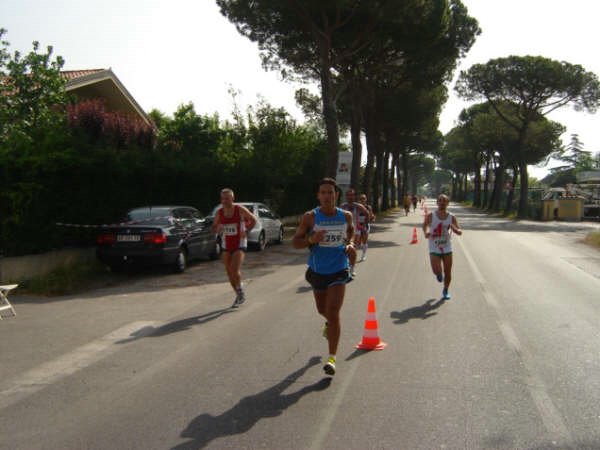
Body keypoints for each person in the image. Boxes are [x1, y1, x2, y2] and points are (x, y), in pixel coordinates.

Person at [292, 178, 355, 376]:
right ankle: (329, 324)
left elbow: (351, 233)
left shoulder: (345, 216)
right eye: (323, 193)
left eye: (331, 192)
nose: (327, 196)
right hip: (318, 271)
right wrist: (311, 239)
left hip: (339, 269)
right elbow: (295, 242)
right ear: (318, 196)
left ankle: (332, 358)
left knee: (334, 312)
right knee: (323, 310)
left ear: (336, 194)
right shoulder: (310, 217)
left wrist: (351, 244)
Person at [211, 188, 257, 308]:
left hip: (240, 243)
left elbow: (253, 220)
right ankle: (238, 293)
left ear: (232, 198)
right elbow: (213, 227)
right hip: (226, 244)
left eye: (227, 198)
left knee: (234, 268)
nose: (224, 201)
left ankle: (240, 290)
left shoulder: (239, 209)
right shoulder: (219, 213)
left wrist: (246, 231)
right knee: (228, 271)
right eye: (222, 198)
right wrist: (218, 229)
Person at [422, 194, 462, 300]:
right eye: (440, 200)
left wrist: (456, 230)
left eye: (444, 201)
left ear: (448, 203)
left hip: (447, 247)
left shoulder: (451, 217)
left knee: (448, 271)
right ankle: (439, 275)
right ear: (437, 203)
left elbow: (459, 230)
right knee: (436, 271)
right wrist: (426, 232)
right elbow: (424, 225)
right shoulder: (431, 215)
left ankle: (445, 290)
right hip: (434, 246)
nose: (442, 202)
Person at [340, 188, 370, 275]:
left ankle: (352, 268)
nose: (350, 197)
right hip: (344, 231)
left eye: (352, 195)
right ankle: (346, 266)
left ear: (354, 196)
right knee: (344, 249)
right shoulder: (343, 206)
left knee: (353, 249)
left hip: (355, 231)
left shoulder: (358, 206)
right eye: (348, 195)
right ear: (346, 196)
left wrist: (364, 225)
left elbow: (367, 214)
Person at [357, 193, 375, 261]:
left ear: (366, 199)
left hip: (366, 225)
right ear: (359, 200)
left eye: (364, 198)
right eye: (361, 199)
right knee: (357, 241)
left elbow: (371, 215)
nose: (362, 200)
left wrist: (372, 217)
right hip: (358, 225)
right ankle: (354, 255)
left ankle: (363, 255)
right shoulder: (357, 207)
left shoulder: (368, 207)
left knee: (364, 241)